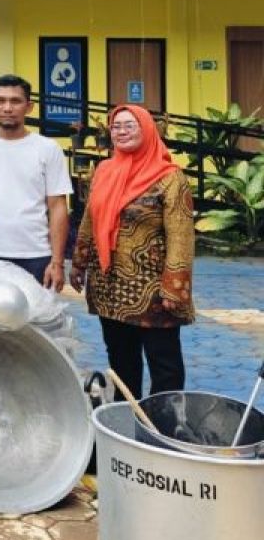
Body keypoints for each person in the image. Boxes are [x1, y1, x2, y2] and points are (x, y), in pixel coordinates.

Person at [70, 105, 194, 400]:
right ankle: (125, 423)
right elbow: (91, 218)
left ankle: (164, 423)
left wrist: (175, 287)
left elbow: (181, 235)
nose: (121, 131)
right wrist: (79, 263)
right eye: (116, 126)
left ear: (147, 129)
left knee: (165, 365)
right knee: (122, 362)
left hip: (154, 291)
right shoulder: (104, 170)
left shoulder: (170, 177)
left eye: (130, 125)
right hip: (109, 287)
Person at [0, 74, 72, 290]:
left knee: (35, 321)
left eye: (15, 101)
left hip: (36, 254)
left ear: (29, 107)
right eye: (1, 101)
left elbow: (57, 206)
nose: (7, 107)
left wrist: (57, 262)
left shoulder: (48, 148)